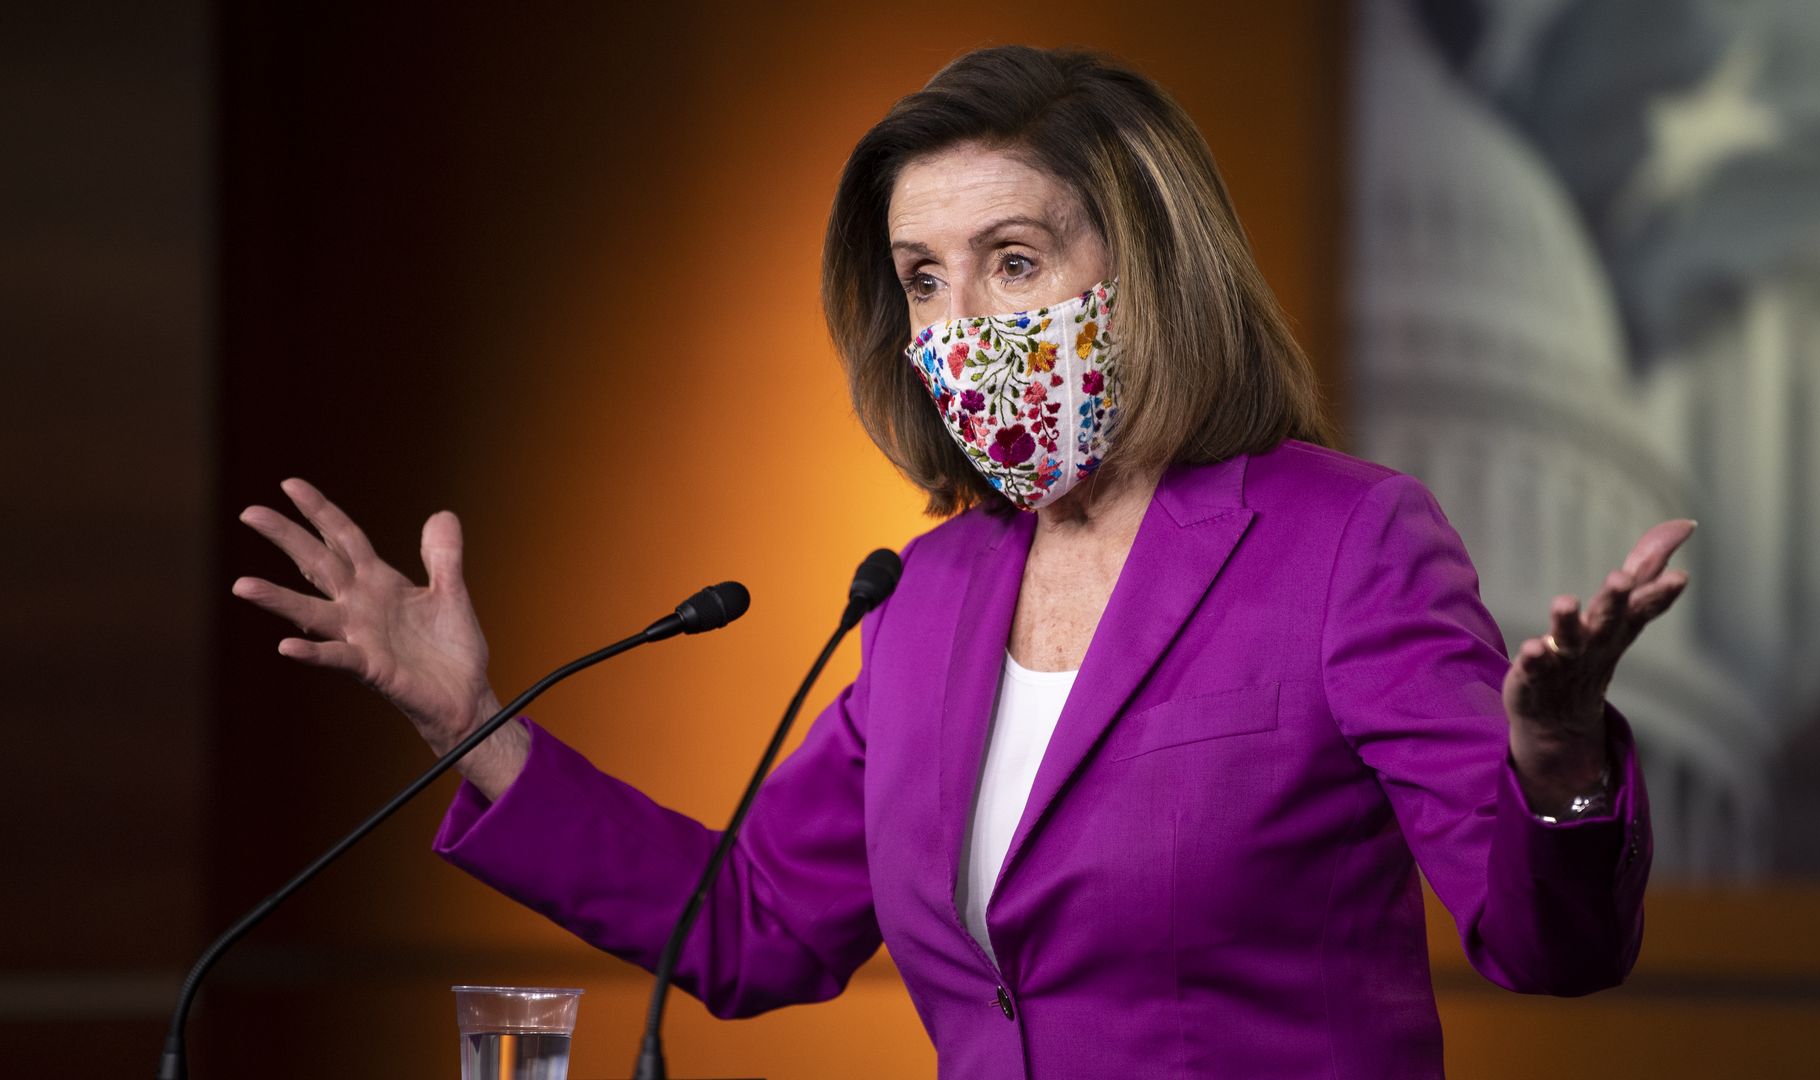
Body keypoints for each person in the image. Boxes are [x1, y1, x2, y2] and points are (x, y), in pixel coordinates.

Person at [233, 46, 1691, 1079]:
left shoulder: (1342, 543)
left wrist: (1559, 762)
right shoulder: (928, 597)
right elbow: (748, 931)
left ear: (1146, 269)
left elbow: (1548, 947)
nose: (959, 322)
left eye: (1012, 260)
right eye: (924, 279)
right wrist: (469, 729)